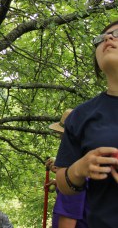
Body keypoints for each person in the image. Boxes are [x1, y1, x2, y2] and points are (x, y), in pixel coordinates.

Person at [55, 21, 118, 228]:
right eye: (102, 38)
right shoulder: (81, 115)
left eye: (116, 34)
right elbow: (64, 184)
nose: (108, 38)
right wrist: (79, 169)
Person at [46, 109, 88, 228]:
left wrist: (64, 181)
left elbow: (68, 220)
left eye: (62, 136)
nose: (60, 140)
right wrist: (59, 181)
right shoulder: (89, 162)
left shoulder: (74, 177)